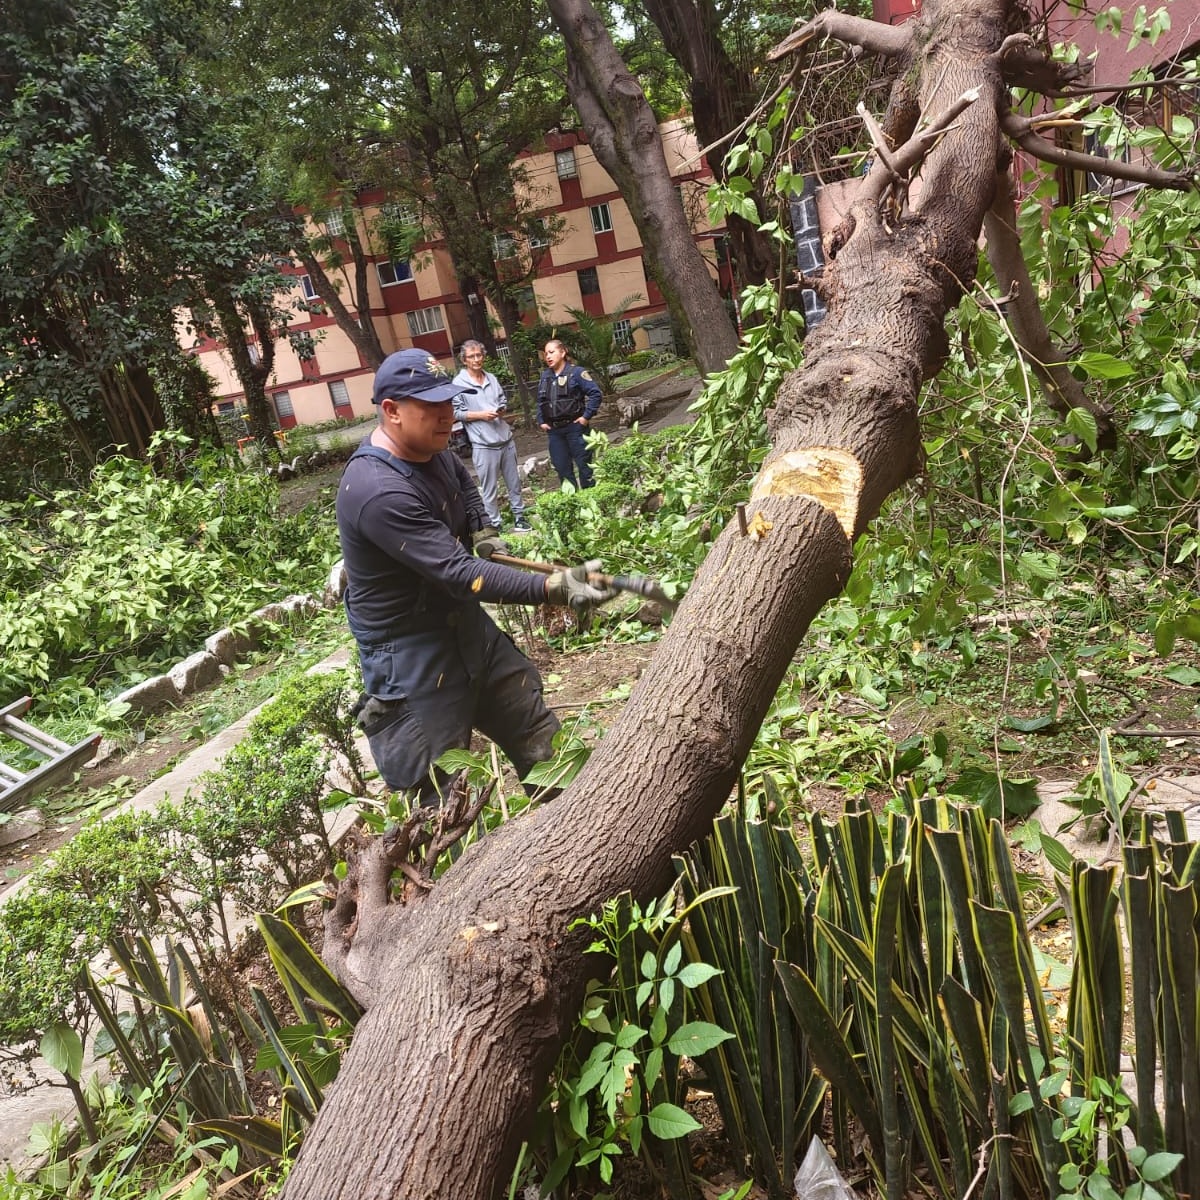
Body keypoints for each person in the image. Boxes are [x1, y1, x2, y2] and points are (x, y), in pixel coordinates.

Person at [336, 348, 616, 804]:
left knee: (539, 734)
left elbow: (462, 485)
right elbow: (458, 572)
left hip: (465, 629)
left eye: (449, 402)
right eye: (431, 406)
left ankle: (579, 826)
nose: (448, 415)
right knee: (439, 797)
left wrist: (485, 531)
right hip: (410, 657)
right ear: (391, 412)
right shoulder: (376, 489)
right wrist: (552, 587)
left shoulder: (434, 448)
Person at [452, 340, 530, 531]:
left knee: (514, 483)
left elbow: (502, 400)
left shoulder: (491, 378)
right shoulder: (458, 383)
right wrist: (481, 415)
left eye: (479, 355)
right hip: (483, 445)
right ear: (464, 360)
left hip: (505, 440)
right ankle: (495, 524)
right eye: (472, 356)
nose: (477, 359)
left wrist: (501, 410)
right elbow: (456, 413)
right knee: (489, 489)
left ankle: (520, 518)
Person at [537, 339, 602, 489]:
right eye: (546, 354)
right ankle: (573, 505)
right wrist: (541, 421)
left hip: (575, 428)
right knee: (562, 469)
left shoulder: (576, 373)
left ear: (563, 352)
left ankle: (591, 502)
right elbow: (540, 401)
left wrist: (586, 417)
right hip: (554, 432)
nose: (548, 356)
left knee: (586, 469)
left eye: (552, 352)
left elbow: (595, 394)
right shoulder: (545, 376)